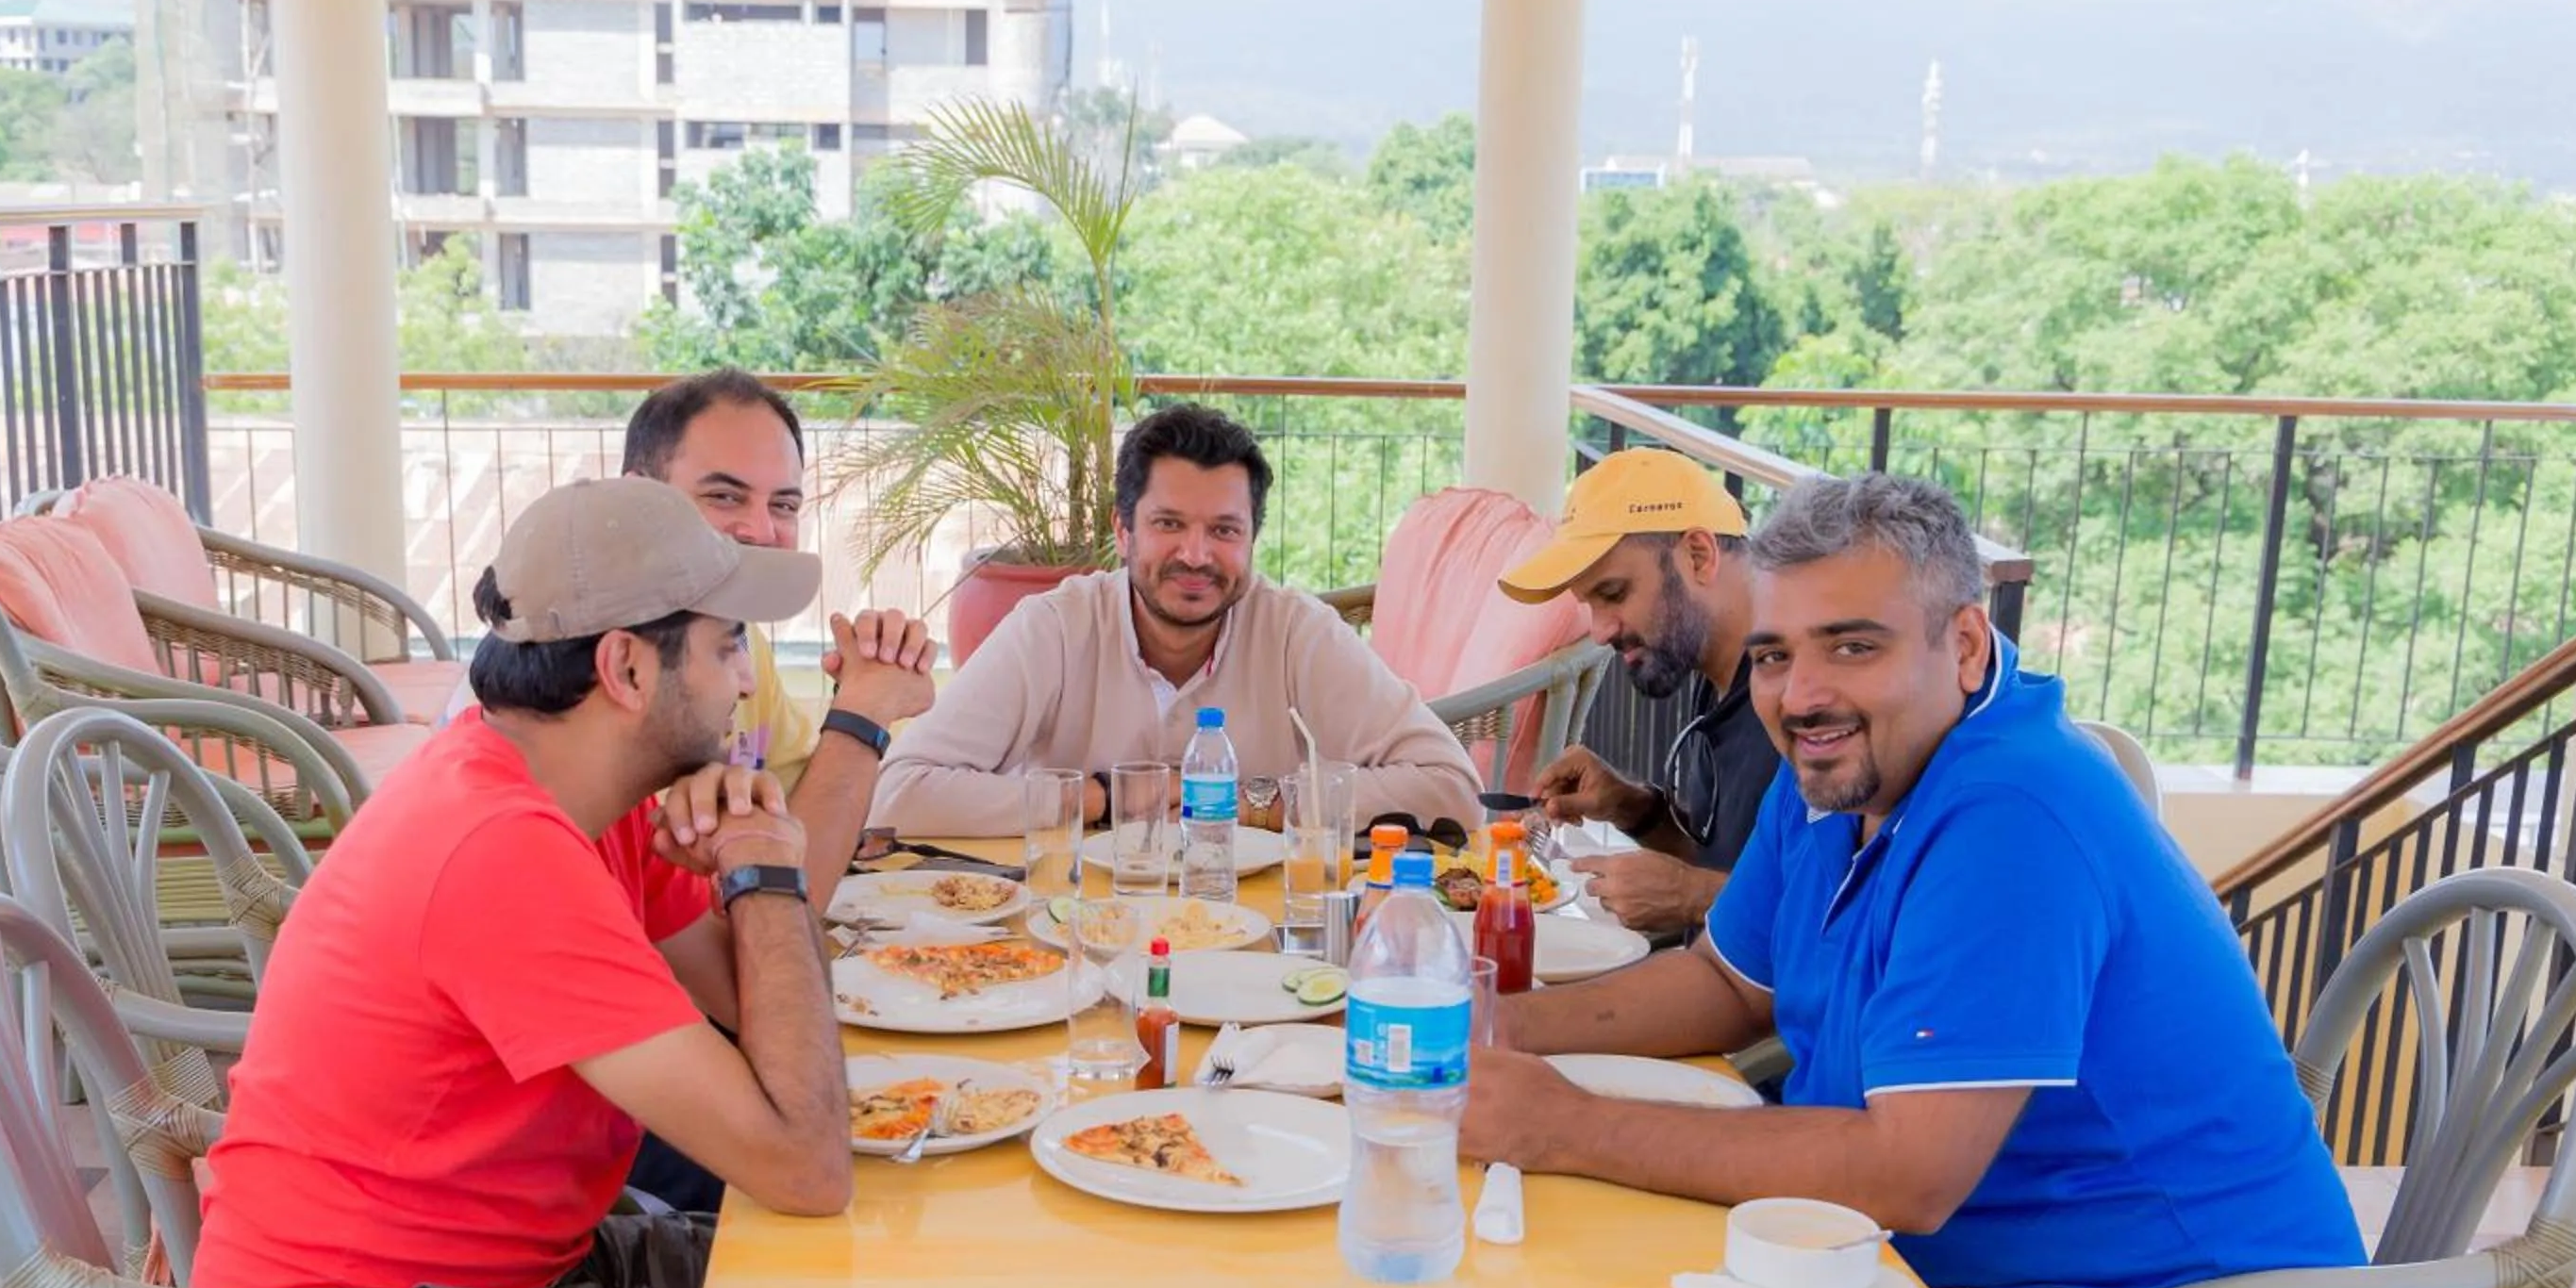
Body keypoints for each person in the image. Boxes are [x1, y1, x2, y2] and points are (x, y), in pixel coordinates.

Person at [1462, 473, 2366, 1288]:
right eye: (1774, 656)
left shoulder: (2010, 811)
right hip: (1967, 1261)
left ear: (1965, 644)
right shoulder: (1838, 764)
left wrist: (1567, 1127)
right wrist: (1482, 1026)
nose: (1802, 695)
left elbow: (1906, 1176)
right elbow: (1729, 984)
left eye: (1853, 646)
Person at [191, 478, 853, 1288]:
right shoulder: (502, 850)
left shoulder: (576, 796)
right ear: (625, 669)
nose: (747, 678)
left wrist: (751, 858)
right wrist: (765, 868)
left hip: (501, 1279)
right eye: (729, 645)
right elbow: (803, 1163)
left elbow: (763, 1016)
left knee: (868, 1287)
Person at [870, 402, 1482, 835]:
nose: (1196, 555)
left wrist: (1248, 802)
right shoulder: (1055, 627)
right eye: (1169, 525)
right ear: (1123, 531)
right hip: (1065, 930)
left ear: (1251, 541)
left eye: (1224, 530)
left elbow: (1452, 787)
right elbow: (898, 793)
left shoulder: (1295, 629)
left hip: (1255, 938)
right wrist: (1104, 798)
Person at [621, 368, 938, 912]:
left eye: (784, 505)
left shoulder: (740, 636)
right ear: (636, 499)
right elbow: (780, 906)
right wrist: (862, 715)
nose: (762, 532)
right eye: (724, 496)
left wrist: (858, 695)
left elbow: (805, 832)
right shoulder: (600, 666)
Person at [1497, 448, 1778, 942]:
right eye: (1590, 605)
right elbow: (1727, 866)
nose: (1601, 632)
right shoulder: (1718, 677)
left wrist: (1694, 896)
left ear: (1699, 555)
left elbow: (1846, 914)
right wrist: (1631, 807)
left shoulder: (1804, 701)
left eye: (1614, 593)